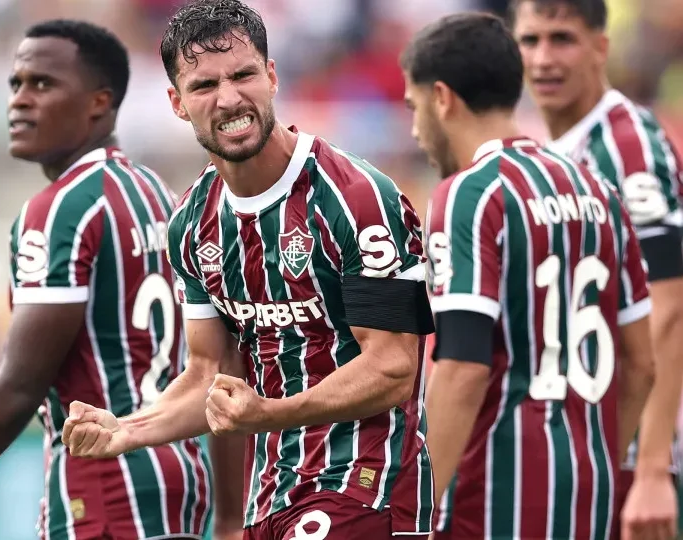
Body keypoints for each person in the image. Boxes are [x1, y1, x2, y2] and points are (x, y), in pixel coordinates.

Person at [62, 1, 437, 539]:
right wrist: (126, 429)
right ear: (177, 103)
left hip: (368, 487)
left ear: (272, 77)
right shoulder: (191, 224)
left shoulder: (358, 197)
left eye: (243, 75)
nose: (229, 99)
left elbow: (394, 367)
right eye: (204, 85)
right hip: (271, 495)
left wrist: (269, 413)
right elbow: (209, 375)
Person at [0, 20, 227, 540]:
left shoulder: (60, 209)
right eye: (16, 83)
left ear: (99, 102)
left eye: (43, 83)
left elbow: (22, 381)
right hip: (181, 473)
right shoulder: (159, 194)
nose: (20, 100)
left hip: (104, 482)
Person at [401, 12, 671, 539]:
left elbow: (462, 368)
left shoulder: (471, 193)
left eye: (414, 107)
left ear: (442, 98)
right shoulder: (598, 191)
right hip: (587, 499)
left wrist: (416, 512)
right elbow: (641, 364)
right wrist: (594, 462)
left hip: (489, 497)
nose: (413, 129)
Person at [510, 0, 683, 534]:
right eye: (530, 40)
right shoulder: (557, 146)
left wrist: (652, 469)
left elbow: (670, 307)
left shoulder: (627, 150)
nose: (543, 59)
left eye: (562, 39)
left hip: (639, 456)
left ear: (600, 47)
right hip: (592, 439)